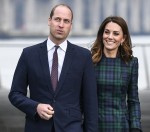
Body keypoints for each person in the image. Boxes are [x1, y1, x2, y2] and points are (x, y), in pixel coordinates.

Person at [8, 4, 98, 132]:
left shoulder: (83, 56)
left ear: (70, 26)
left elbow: (91, 103)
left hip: (71, 128)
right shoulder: (29, 54)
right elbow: (15, 94)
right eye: (57, 19)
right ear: (49, 21)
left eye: (66, 21)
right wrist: (36, 107)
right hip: (37, 127)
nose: (61, 25)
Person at [91, 16, 142, 132]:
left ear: (123, 38)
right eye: (107, 32)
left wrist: (135, 127)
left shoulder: (131, 63)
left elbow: (133, 100)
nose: (110, 37)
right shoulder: (89, 62)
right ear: (101, 34)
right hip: (94, 125)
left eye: (115, 33)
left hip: (121, 126)